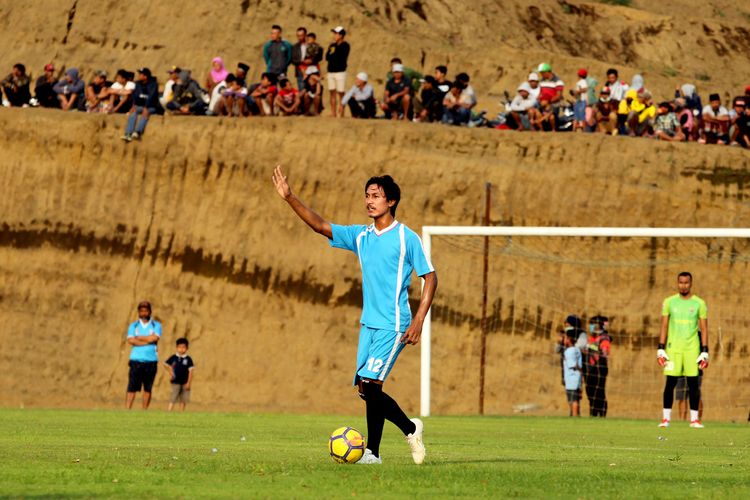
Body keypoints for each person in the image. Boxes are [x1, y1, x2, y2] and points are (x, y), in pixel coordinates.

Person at [272, 165, 437, 465]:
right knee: (367, 388)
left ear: (391, 202)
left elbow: (430, 277)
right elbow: (321, 225)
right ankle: (373, 453)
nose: (369, 200)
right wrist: (290, 197)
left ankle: (410, 430)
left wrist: (418, 321)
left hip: (394, 323)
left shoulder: (406, 238)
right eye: (367, 195)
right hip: (369, 324)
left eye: (376, 195)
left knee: (371, 385)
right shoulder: (361, 236)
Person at [657, 272, 708, 428]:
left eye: (686, 283)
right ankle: (666, 419)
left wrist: (705, 351)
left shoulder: (699, 303)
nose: (683, 285)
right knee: (670, 383)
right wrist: (660, 348)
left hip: (692, 349)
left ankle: (694, 420)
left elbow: (704, 329)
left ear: (691, 283)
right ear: (677, 283)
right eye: (681, 282)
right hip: (673, 350)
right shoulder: (669, 302)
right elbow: (664, 326)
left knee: (693, 384)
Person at [126, 301, 161, 410]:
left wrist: (139, 338)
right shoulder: (133, 325)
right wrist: (147, 340)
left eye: (146, 310)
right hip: (136, 360)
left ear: (150, 311)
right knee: (131, 387)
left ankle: (144, 411)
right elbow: (131, 340)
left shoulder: (156, 325)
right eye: (141, 311)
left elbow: (155, 338)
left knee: (148, 388)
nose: (144, 313)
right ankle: (127, 410)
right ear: (139, 312)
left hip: (151, 361)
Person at [122, 67, 159, 142]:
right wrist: (133, 106)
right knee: (133, 112)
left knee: (145, 113)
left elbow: (151, 97)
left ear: (145, 76)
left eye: (140, 74)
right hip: (140, 106)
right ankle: (128, 133)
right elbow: (135, 96)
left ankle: (138, 132)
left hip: (151, 106)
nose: (138, 76)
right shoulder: (137, 84)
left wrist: (146, 107)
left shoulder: (153, 84)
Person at [584, 315, 610, 417]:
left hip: (599, 368)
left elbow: (604, 353)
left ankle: (601, 414)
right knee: (590, 391)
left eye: (593, 324)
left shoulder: (604, 338)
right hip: (590, 368)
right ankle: (593, 411)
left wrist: (593, 348)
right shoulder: (591, 338)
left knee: (599, 392)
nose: (591, 326)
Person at [164, 338, 195, 412]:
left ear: (187, 348)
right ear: (176, 347)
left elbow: (191, 372)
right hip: (175, 382)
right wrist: (170, 372)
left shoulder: (188, 359)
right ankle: (169, 411)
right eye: (179, 347)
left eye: (183, 347)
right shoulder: (173, 357)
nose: (181, 349)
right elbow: (165, 364)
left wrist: (188, 383)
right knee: (173, 396)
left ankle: (181, 412)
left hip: (185, 382)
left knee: (184, 398)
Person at [325, 26, 350, 117]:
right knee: (332, 92)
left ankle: (342, 113)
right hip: (331, 71)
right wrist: (333, 54)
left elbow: (340, 56)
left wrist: (333, 54)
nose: (334, 35)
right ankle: (333, 112)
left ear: (341, 35)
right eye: (334, 33)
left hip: (340, 72)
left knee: (341, 92)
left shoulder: (345, 45)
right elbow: (327, 57)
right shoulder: (332, 45)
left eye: (336, 33)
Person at [562, 333, 582, 417]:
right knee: (575, 400)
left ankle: (574, 418)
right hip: (575, 379)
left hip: (572, 379)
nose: (563, 340)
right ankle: (576, 416)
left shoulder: (569, 351)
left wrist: (579, 369)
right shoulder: (576, 349)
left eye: (565, 338)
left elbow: (572, 364)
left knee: (573, 401)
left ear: (569, 340)